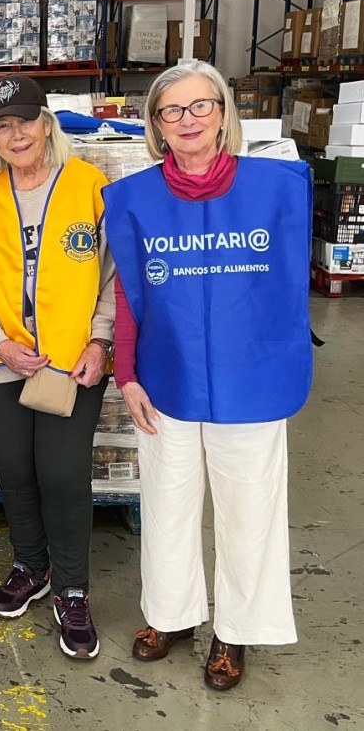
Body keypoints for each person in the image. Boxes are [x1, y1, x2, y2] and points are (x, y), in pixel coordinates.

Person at [102, 60, 313, 690]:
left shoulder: (274, 189)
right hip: (166, 378)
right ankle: (172, 615)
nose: (188, 120)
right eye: (172, 110)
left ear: (223, 114)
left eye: (201, 106)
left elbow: (287, 293)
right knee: (167, 503)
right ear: (156, 125)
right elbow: (132, 294)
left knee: (249, 506)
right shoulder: (136, 200)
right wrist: (127, 374)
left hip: (251, 379)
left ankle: (235, 630)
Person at [0, 75, 113, 660]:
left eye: (26, 120)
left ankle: (70, 587)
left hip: (69, 363)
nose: (17, 134)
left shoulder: (89, 187)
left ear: (47, 123)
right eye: (3, 125)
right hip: (0, 364)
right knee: (14, 473)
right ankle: (31, 567)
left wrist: (100, 340)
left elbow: (114, 277)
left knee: (63, 476)